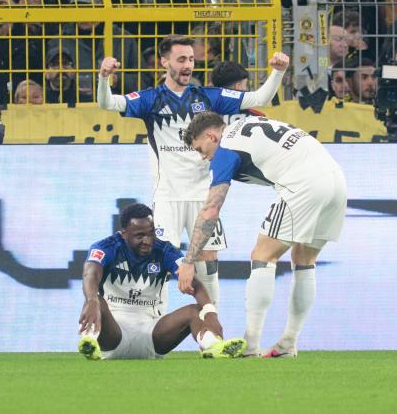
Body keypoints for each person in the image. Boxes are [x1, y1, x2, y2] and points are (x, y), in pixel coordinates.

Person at [97, 35, 289, 307]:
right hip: (168, 198)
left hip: (203, 197)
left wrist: (278, 71)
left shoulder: (208, 96)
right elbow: (107, 103)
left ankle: (213, 330)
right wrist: (104, 78)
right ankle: (154, 329)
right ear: (165, 62)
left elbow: (260, 97)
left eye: (191, 59)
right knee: (159, 263)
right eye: (182, 59)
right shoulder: (150, 99)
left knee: (208, 264)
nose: (188, 65)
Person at [176, 112, 347, 358]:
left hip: (303, 184)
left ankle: (251, 344)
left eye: (201, 149)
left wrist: (189, 260)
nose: (204, 157)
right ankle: (288, 342)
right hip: (336, 180)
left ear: (211, 136)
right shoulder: (245, 125)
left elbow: (211, 209)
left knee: (262, 256)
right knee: (304, 259)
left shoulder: (224, 149)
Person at [77, 203, 246, 360]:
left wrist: (210, 313)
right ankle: (90, 343)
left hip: (153, 336)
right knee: (96, 301)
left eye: (151, 233)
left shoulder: (164, 250)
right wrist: (91, 300)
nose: (148, 240)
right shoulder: (106, 247)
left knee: (195, 311)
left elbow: (196, 285)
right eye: (139, 236)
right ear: (123, 233)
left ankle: (213, 346)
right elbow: (90, 273)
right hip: (113, 336)